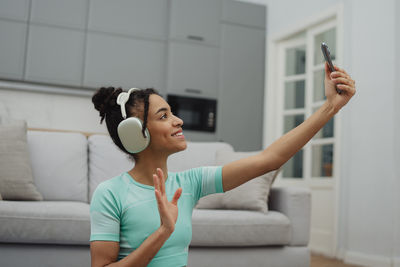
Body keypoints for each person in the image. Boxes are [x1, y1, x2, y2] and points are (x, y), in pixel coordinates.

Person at [89, 63, 356, 267]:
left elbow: (269, 160)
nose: (178, 120)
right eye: (164, 116)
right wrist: (163, 232)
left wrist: (331, 107)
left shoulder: (188, 184)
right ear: (136, 134)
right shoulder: (111, 193)